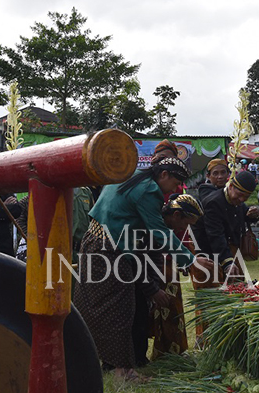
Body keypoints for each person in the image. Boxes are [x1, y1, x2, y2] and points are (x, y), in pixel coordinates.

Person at [72, 157, 208, 379]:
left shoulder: (130, 174)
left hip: (92, 241)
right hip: (112, 249)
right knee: (121, 309)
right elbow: (159, 232)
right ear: (164, 174)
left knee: (92, 304)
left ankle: (95, 359)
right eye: (175, 184)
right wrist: (190, 260)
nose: (174, 189)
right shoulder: (149, 189)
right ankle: (123, 371)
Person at [147, 193, 202, 359]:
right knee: (161, 309)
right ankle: (163, 353)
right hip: (154, 268)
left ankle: (172, 352)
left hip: (169, 265)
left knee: (173, 308)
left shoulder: (172, 224)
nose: (185, 229)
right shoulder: (153, 221)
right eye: (185, 224)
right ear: (177, 215)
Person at [193, 171, 258, 280]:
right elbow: (215, 235)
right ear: (231, 186)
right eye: (240, 195)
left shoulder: (238, 203)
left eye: (246, 197)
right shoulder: (213, 202)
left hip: (230, 252)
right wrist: (227, 262)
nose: (242, 200)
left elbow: (241, 218)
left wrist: (252, 215)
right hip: (208, 254)